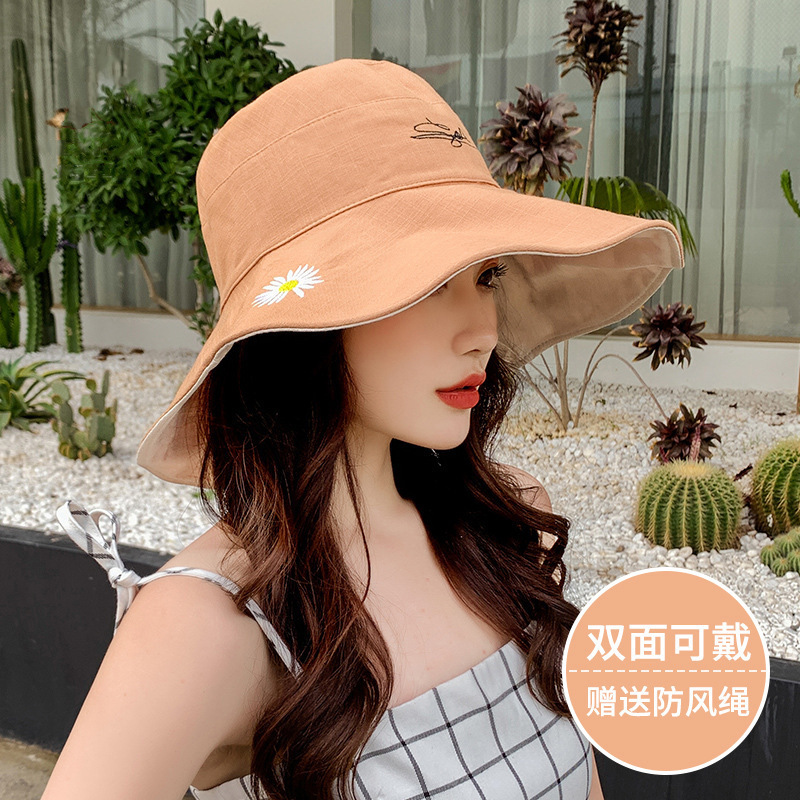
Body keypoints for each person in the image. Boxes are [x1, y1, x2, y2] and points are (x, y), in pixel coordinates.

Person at [42, 58, 683, 800]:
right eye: (427, 283)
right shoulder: (209, 625)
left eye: (485, 277)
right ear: (306, 325)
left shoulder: (508, 524)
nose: (482, 331)